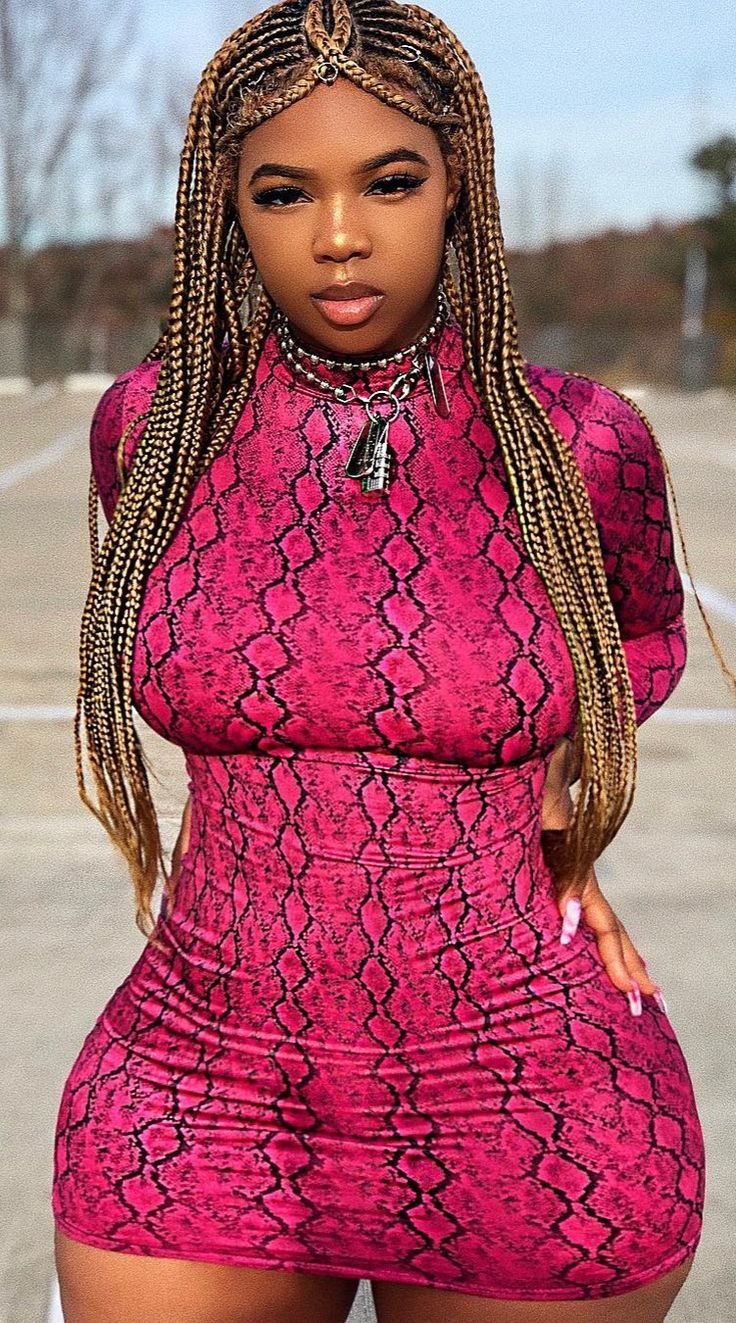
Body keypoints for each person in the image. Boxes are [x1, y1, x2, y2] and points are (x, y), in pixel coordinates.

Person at [51, 1, 735, 1320]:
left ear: (458, 182)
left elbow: (645, 634)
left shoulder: (583, 444)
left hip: (524, 1085)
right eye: (284, 192)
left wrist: (555, 806)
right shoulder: (152, 429)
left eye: (390, 181)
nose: (339, 235)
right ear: (226, 208)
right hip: (199, 1074)